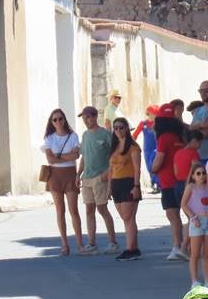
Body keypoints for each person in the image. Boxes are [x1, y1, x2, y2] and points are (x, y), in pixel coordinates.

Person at [77, 105, 118, 255]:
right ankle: (92, 243)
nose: (85, 120)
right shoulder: (85, 135)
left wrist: (107, 174)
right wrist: (78, 174)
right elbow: (83, 156)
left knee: (102, 208)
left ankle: (113, 242)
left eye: (87, 117)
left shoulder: (105, 134)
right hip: (86, 178)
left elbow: (114, 156)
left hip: (100, 177)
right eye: (83, 118)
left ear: (94, 117)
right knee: (89, 209)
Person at [43, 108, 84, 256]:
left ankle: (80, 244)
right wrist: (66, 156)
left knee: (74, 210)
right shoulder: (49, 138)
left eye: (60, 118)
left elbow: (76, 156)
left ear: (64, 119)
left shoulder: (73, 136)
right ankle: (64, 245)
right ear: (51, 122)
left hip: (70, 174)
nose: (58, 121)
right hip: (55, 176)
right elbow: (50, 159)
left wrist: (59, 156)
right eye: (55, 119)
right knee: (60, 211)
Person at [152, 103, 188, 261]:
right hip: (180, 179)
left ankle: (178, 246)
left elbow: (159, 160)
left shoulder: (163, 138)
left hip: (167, 181)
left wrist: (153, 168)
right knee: (184, 214)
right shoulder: (179, 137)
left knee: (172, 215)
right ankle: (184, 245)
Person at [107, 117, 143, 261]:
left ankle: (130, 248)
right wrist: (109, 187)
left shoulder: (133, 147)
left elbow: (137, 169)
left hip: (129, 183)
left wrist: (136, 186)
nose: (118, 130)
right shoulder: (114, 147)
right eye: (115, 128)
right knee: (126, 218)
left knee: (128, 217)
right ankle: (133, 247)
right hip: (116, 184)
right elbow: (110, 169)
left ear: (127, 128)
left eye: (121, 127)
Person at [181, 161, 208, 288]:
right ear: (193, 176)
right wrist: (193, 217)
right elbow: (183, 204)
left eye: (203, 173)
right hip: (197, 222)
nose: (201, 176)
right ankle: (194, 281)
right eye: (198, 173)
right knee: (195, 253)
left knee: (207, 253)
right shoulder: (190, 187)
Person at [173, 130, 204, 255]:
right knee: (193, 218)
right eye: (200, 142)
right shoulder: (194, 153)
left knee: (189, 217)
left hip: (178, 185)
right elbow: (196, 171)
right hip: (189, 185)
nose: (200, 145)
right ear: (194, 141)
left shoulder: (178, 153)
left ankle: (188, 247)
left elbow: (175, 172)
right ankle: (185, 247)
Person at [132, 104, 160, 192]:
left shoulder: (158, 123)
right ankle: (153, 183)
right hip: (147, 149)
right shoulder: (143, 124)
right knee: (149, 167)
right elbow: (135, 135)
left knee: (154, 165)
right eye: (149, 113)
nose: (150, 115)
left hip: (157, 148)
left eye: (153, 114)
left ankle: (158, 184)